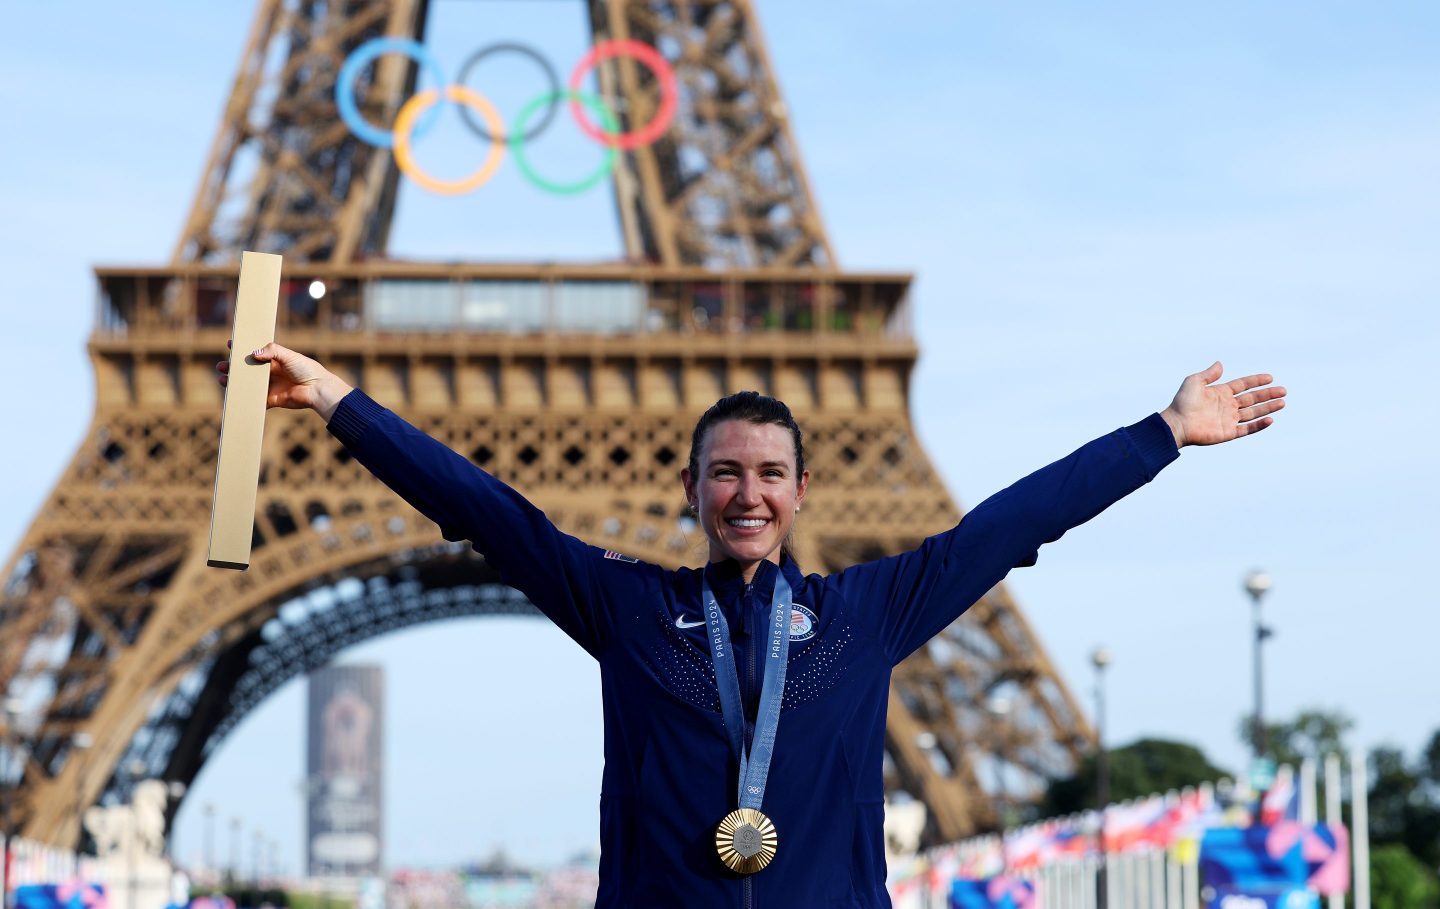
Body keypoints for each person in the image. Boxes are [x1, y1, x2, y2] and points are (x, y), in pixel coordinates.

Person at [218, 345, 1284, 907]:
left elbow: (1008, 528)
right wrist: (337, 402)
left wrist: (1162, 434)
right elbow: (489, 512)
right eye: (725, 472)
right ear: (692, 489)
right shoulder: (629, 609)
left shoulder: (863, 615)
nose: (747, 494)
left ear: (802, 490)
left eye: (769, 474)